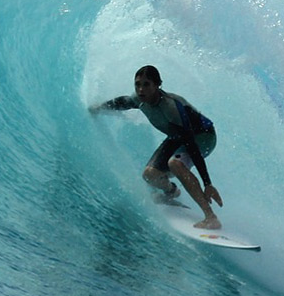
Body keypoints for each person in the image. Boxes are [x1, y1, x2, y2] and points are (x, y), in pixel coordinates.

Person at [88, 65, 223, 229]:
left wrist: (207, 183)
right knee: (149, 175)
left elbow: (192, 145)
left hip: (203, 137)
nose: (140, 89)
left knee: (175, 164)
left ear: (157, 84)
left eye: (146, 84)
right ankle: (171, 191)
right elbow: (124, 102)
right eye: (137, 84)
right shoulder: (140, 99)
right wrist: (99, 108)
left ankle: (211, 217)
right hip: (177, 136)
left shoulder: (171, 107)